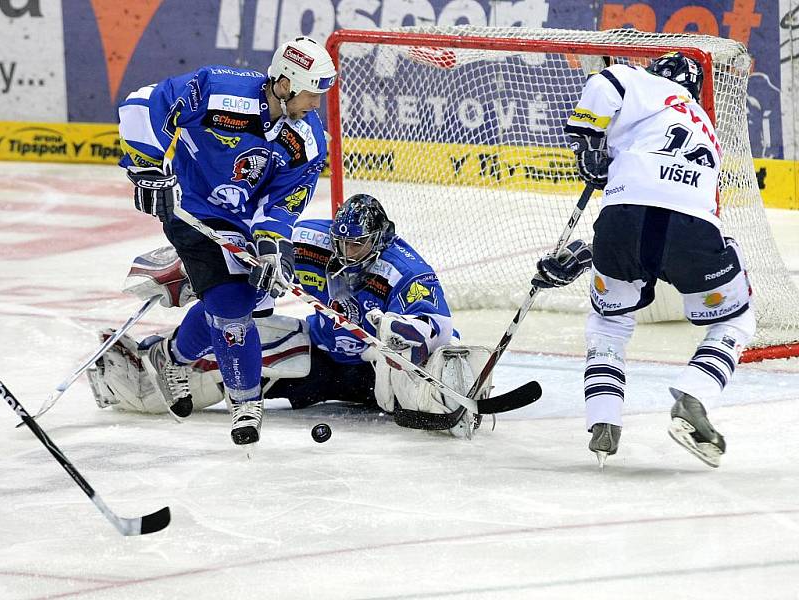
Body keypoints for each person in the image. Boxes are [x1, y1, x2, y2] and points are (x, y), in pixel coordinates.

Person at [88, 195, 494, 439]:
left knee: (425, 377)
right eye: (342, 241)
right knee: (234, 327)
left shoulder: (406, 271)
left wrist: (402, 331)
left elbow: (439, 328)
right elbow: (242, 250)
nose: (346, 251)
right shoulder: (311, 243)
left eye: (358, 245)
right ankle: (150, 367)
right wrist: (195, 268)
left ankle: (455, 398)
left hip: (376, 375)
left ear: (379, 241)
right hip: (317, 356)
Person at [537, 52, 756, 468]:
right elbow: (682, 209)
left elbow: (605, 84)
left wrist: (588, 144)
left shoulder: (637, 80)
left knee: (609, 322)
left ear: (656, 73)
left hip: (622, 222)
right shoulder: (706, 128)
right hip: (693, 226)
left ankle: (603, 420)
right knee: (736, 318)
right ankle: (694, 394)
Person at [116, 37, 337, 449]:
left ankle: (172, 356)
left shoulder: (305, 137)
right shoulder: (220, 90)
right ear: (286, 84)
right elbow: (141, 102)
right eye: (311, 94)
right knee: (231, 305)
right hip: (189, 204)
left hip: (241, 220)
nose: (316, 105)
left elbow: (285, 197)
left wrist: (272, 242)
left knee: (252, 299)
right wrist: (146, 168)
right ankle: (246, 404)